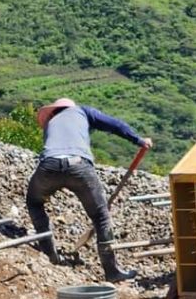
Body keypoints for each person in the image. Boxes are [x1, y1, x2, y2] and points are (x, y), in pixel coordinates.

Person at [26, 98, 153, 283]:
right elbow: (114, 125)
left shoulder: (50, 123)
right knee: (100, 215)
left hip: (49, 166)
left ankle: (48, 255)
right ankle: (112, 271)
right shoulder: (81, 111)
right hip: (79, 166)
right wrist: (139, 140)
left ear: (53, 111)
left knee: (35, 202)